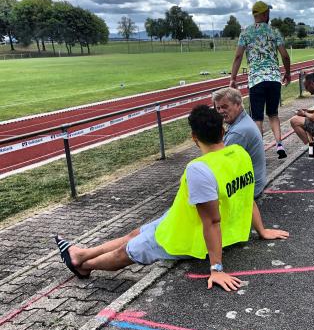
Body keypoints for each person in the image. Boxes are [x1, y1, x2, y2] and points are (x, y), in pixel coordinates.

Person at [55, 105, 285, 292]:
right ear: (223, 132)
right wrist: (261, 231)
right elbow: (247, 197)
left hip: (183, 235)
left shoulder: (200, 168)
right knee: (135, 233)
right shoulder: (240, 154)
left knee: (126, 253)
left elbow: (212, 222)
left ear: (194, 137)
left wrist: (216, 268)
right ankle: (81, 254)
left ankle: (84, 266)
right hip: (180, 220)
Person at [212, 87, 289, 240]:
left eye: (225, 106)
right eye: (218, 107)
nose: (220, 111)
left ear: (238, 104)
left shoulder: (238, 133)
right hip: (256, 180)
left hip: (252, 188)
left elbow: (220, 167)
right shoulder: (243, 121)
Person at [230, 1, 291, 159]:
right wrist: (288, 73)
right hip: (273, 78)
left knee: (257, 118)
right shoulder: (274, 31)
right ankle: (279, 144)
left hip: (256, 79)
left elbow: (238, 56)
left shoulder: (246, 33)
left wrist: (233, 78)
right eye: (268, 13)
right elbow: (285, 55)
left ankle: (259, 152)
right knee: (273, 114)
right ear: (265, 14)